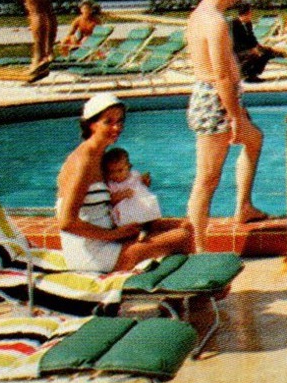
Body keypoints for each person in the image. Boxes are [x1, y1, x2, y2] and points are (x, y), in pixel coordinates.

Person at [56, 93, 192, 273]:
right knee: (182, 237)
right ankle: (184, 289)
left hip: (109, 238)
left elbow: (102, 200)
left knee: (184, 225)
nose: (117, 127)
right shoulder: (83, 161)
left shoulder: (99, 157)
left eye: (120, 121)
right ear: (91, 124)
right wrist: (114, 234)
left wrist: (137, 184)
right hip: (92, 253)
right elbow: (67, 222)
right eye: (108, 122)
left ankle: (177, 287)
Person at [185, 0, 269, 250]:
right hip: (216, 100)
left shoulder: (199, 15)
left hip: (218, 97)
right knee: (207, 178)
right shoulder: (215, 22)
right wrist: (234, 116)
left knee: (254, 139)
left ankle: (243, 206)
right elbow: (220, 75)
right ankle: (198, 247)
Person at [103, 145, 162, 225]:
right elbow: (110, 202)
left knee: (149, 203)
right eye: (111, 172)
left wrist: (145, 181)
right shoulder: (111, 184)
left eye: (120, 170)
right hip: (125, 215)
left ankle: (151, 222)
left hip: (141, 207)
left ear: (129, 167)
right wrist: (122, 195)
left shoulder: (134, 175)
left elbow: (143, 187)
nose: (116, 175)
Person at [227, 1, 282, 83]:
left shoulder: (248, 23)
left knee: (268, 51)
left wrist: (259, 46)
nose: (251, 15)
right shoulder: (233, 24)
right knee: (254, 54)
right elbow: (235, 42)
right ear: (247, 13)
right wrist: (251, 49)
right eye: (250, 13)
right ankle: (246, 74)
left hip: (245, 50)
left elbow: (251, 38)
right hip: (235, 51)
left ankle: (253, 74)